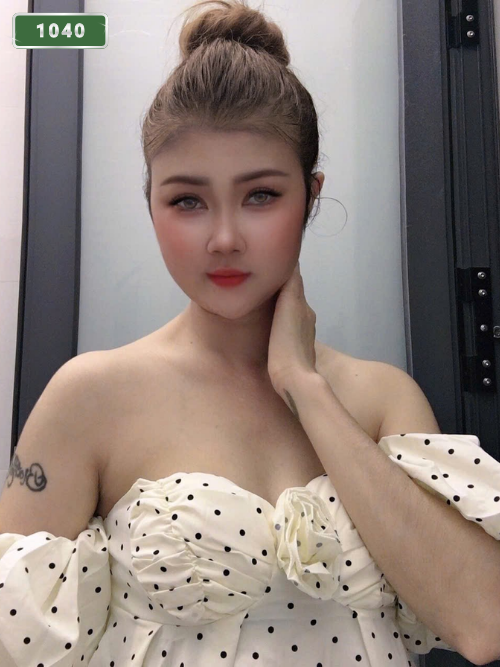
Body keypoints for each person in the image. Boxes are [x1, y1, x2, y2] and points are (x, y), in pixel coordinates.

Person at [0, 1, 499, 665]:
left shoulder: (381, 399)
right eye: (187, 200)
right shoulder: (92, 395)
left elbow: (482, 622)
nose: (225, 238)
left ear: (311, 195)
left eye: (261, 194)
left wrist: (305, 386)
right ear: (151, 205)